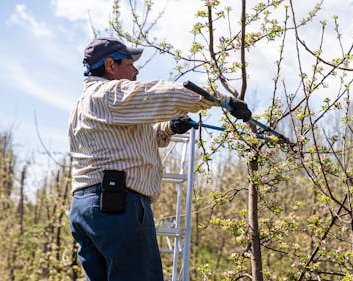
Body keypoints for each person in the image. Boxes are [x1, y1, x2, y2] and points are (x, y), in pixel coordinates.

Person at [68, 37, 252, 281]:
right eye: (130, 64)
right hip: (117, 206)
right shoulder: (110, 93)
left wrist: (169, 128)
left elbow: (123, 145)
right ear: (110, 65)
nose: (136, 70)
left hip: (86, 208)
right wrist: (222, 100)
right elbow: (162, 95)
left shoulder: (84, 105)